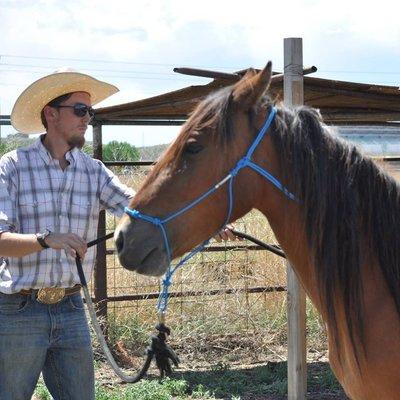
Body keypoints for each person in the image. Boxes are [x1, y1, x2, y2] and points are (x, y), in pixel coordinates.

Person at [0, 68, 236, 399]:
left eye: (90, 112)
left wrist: (209, 222)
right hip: (19, 311)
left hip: (70, 309)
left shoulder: (92, 172)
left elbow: (139, 210)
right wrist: (45, 239)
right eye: (80, 110)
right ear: (51, 114)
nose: (87, 119)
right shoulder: (12, 167)